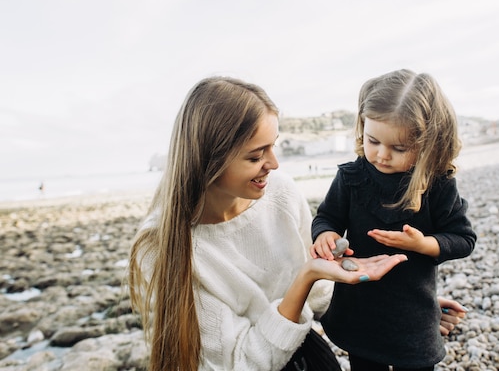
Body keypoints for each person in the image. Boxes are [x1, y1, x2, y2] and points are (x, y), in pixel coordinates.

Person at [128, 75, 465, 371]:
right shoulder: (162, 246)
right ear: (208, 160)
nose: (274, 164)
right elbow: (241, 363)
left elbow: (321, 299)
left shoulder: (280, 192)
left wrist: (402, 310)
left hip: (305, 355)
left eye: (273, 147)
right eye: (256, 156)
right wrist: (306, 276)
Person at [311, 69, 477, 371]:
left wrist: (424, 244)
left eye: (399, 148)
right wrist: (325, 235)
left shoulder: (437, 184)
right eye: (373, 141)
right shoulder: (351, 177)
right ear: (363, 127)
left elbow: (464, 239)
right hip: (359, 309)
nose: (382, 155)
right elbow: (327, 217)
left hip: (412, 315)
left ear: (429, 143)